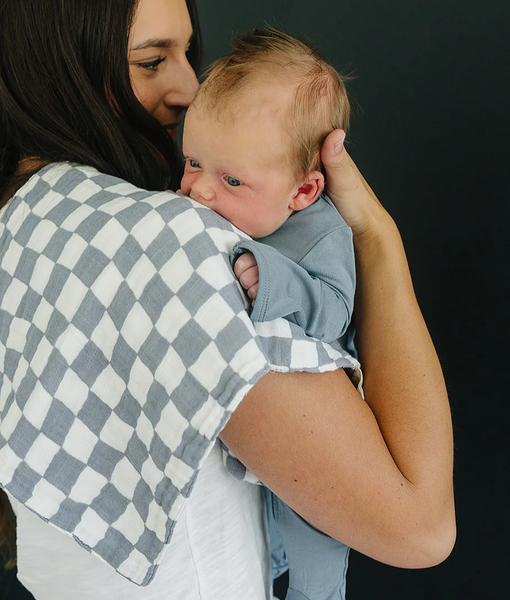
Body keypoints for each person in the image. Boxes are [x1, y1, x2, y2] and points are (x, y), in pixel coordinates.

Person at [0, 1, 456, 600]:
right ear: (52, 66)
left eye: (187, 54)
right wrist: (379, 238)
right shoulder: (173, 241)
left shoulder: (26, 223)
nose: (188, 88)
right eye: (152, 61)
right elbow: (420, 527)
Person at [179, 27, 356, 599]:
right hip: (253, 434)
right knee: (253, 549)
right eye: (192, 162)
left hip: (322, 435)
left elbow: (332, 312)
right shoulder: (210, 208)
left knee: (314, 564)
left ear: (302, 191)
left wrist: (273, 279)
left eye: (231, 180)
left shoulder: (321, 232)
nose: (199, 191)